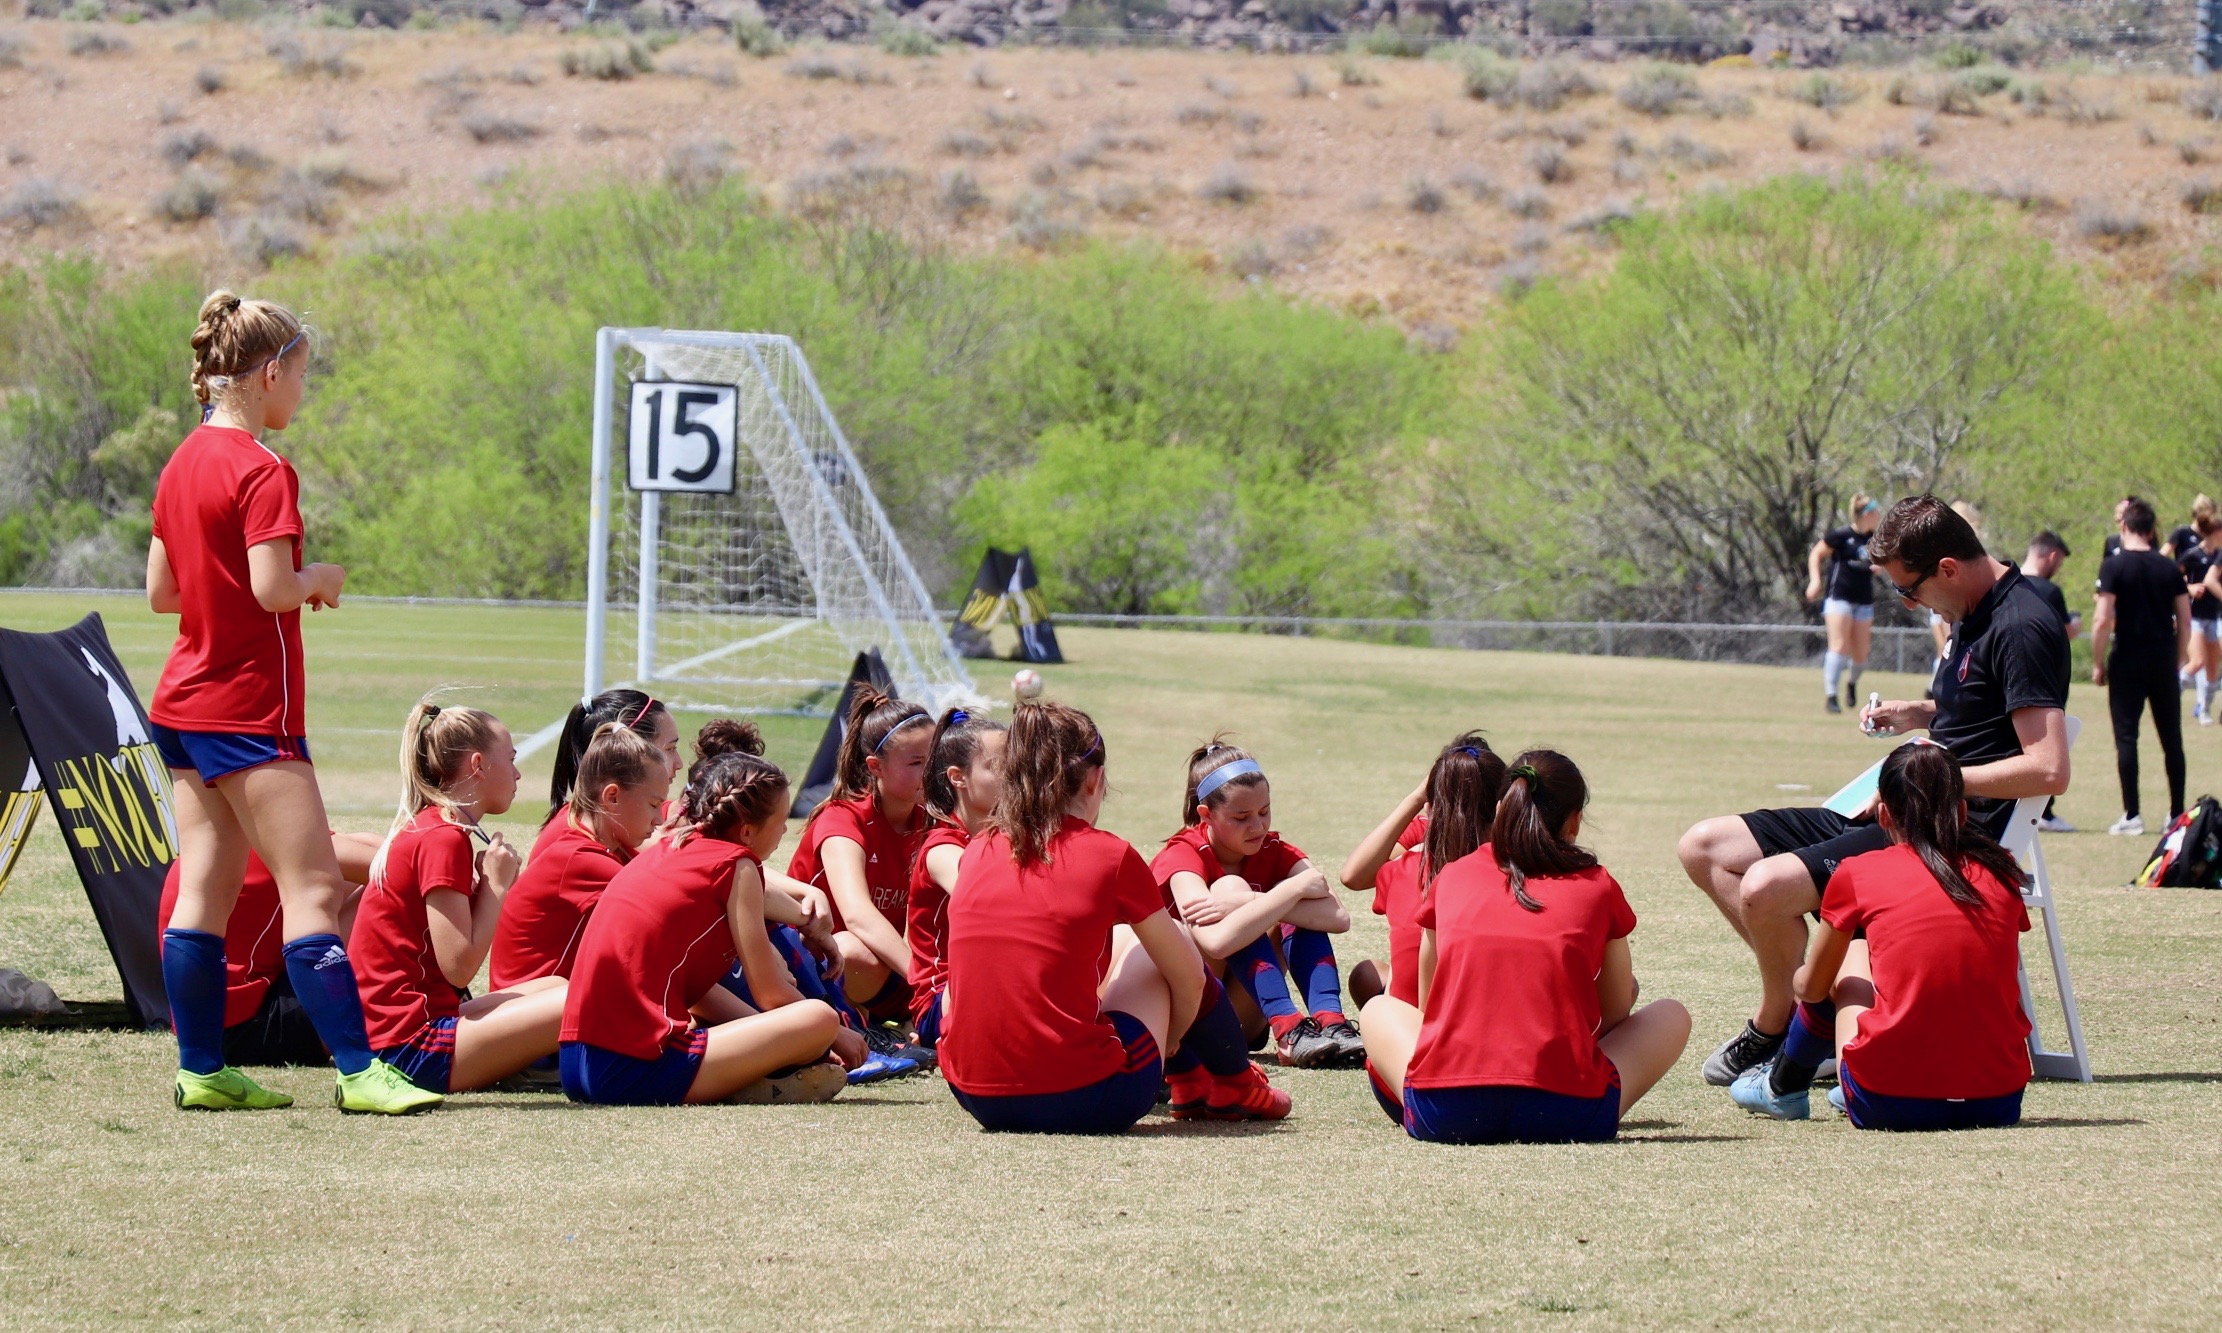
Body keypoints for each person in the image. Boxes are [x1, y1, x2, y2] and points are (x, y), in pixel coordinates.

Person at [149, 290, 432, 1115]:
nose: (302, 390)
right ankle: (359, 1072)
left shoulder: (179, 463)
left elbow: (162, 592)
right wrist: (318, 580)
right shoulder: (263, 469)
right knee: (309, 887)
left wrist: (234, 588)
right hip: (248, 711)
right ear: (269, 372)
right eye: (302, 373)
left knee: (205, 884)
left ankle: (201, 1069)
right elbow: (273, 588)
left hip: (182, 704)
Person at [1677, 495, 2069, 1088]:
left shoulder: (2022, 626)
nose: (1909, 604)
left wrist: (1927, 781)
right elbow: (1986, 710)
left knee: (1764, 885)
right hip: (1900, 810)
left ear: (1946, 568)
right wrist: (1921, 714)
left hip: (1946, 836)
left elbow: (2048, 769)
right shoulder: (1972, 608)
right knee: (1705, 847)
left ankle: (1782, 1024)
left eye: (1907, 591)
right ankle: (1812, 1016)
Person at [939, 700, 1284, 1133]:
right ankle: (1237, 1084)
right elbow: (1189, 979)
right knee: (1167, 943)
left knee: (1123, 943)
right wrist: (1168, 1041)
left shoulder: (976, 849)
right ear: (1096, 779)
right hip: (1082, 1096)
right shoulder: (1110, 854)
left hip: (975, 1094)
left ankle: (1200, 1081)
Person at [1359, 750, 1689, 1144]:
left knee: (1378, 1008)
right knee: (1672, 1014)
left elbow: (1431, 1009)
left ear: (1502, 809)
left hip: (1446, 1113)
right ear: (1574, 823)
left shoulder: (1452, 876)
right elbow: (1615, 1011)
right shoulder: (1598, 884)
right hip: (1569, 1114)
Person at [1729, 743, 2030, 1129]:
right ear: (1962, 811)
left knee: (1848, 958)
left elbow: (1813, 988)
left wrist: (1798, 975)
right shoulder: (2002, 868)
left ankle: (1781, 1087)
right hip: (1999, 1101)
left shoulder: (1858, 871)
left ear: (1883, 814)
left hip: (1886, 1100)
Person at [559, 747, 847, 1106]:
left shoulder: (670, 848)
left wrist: (776, 1040)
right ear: (746, 831)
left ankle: (756, 1073)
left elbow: (699, 992)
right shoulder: (737, 864)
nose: (785, 829)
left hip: (576, 1066)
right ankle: (753, 1078)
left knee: (804, 1024)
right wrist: (835, 1033)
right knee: (817, 1017)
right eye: (781, 819)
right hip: (635, 1067)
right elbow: (771, 993)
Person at [349, 698, 568, 1099]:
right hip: (408, 1049)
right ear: (478, 765)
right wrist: (496, 886)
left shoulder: (435, 826)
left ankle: (517, 1063)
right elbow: (459, 969)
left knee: (557, 984)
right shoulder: (443, 838)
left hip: (402, 1029)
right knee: (575, 999)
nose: (518, 774)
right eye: (511, 758)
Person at [1150, 738, 1357, 1068]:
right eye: (1241, 817)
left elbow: (1337, 918)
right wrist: (1283, 893)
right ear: (1206, 815)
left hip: (1241, 1018)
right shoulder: (1183, 854)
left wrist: (1251, 900)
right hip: (1187, 1023)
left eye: (1264, 812)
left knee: (1291, 909)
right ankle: (1289, 1031)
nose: (1258, 826)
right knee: (1238, 887)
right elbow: (1217, 943)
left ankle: (1331, 1023)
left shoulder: (1273, 849)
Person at [154, 832, 382, 1068]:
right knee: (381, 890)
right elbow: (396, 870)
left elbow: (361, 843)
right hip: (252, 1029)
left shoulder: (221, 842)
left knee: (346, 881)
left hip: (203, 1030)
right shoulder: (286, 844)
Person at [786, 686, 933, 1026]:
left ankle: (889, 1017)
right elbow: (858, 916)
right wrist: (928, 983)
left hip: (878, 972)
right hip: (811, 968)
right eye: (916, 762)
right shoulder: (843, 819)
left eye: (935, 760)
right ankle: (852, 1021)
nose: (931, 772)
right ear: (875, 766)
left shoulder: (929, 822)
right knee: (851, 949)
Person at [489, 722, 669, 991]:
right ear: (612, 797)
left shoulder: (609, 843)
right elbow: (672, 916)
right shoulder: (580, 859)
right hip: (530, 1016)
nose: (658, 820)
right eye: (654, 805)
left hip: (544, 1005)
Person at [1341, 734, 1505, 1016]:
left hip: (1416, 1025)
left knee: (1373, 983)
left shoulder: (1403, 867)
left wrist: (1416, 797)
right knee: (1368, 975)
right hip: (1483, 1013)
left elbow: (1354, 876)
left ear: (1432, 802)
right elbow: (1353, 876)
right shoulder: (1518, 867)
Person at [905, 707, 1006, 1050]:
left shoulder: (1004, 838)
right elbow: (996, 900)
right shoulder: (942, 848)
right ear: (957, 777)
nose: (1013, 777)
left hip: (990, 987)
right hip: (940, 1000)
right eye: (998, 767)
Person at [2091, 498, 2191, 838]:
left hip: (2128, 656)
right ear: (2151, 530)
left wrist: (2097, 661)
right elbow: (2185, 619)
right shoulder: (2169, 568)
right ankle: (2177, 813)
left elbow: (2103, 619)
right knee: (2171, 738)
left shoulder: (2114, 567)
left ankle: (2132, 815)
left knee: (2126, 737)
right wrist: (2178, 657)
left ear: (2124, 527)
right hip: (2162, 656)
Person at [543, 689, 684, 822]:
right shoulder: (587, 841)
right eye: (670, 749)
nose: (679, 764)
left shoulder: (600, 821)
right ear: (627, 751)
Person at [2020, 530, 2080, 833]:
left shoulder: (2009, 584)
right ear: (2052, 555)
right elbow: (2064, 632)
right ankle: (2044, 810)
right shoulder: (2050, 591)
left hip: (2014, 680)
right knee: (2048, 745)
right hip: (2047, 681)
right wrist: (2076, 625)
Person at [1806, 495, 1883, 714]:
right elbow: (1816, 554)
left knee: (1860, 655)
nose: (1878, 517)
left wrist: (1882, 566)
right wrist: (1815, 580)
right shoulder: (1841, 536)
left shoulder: (1874, 539)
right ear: (1866, 514)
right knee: (1839, 646)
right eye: (1876, 513)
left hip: (1864, 601)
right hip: (1838, 598)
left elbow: (1886, 560)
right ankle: (1831, 696)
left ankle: (1851, 683)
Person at [2177, 515, 2222, 725]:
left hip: (2213, 616)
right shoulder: (2192, 555)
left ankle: (2204, 709)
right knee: (2197, 662)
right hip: (2194, 616)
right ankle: (2170, 695)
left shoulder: (2220, 556)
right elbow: (2172, 579)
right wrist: (2189, 588)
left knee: (2213, 671)